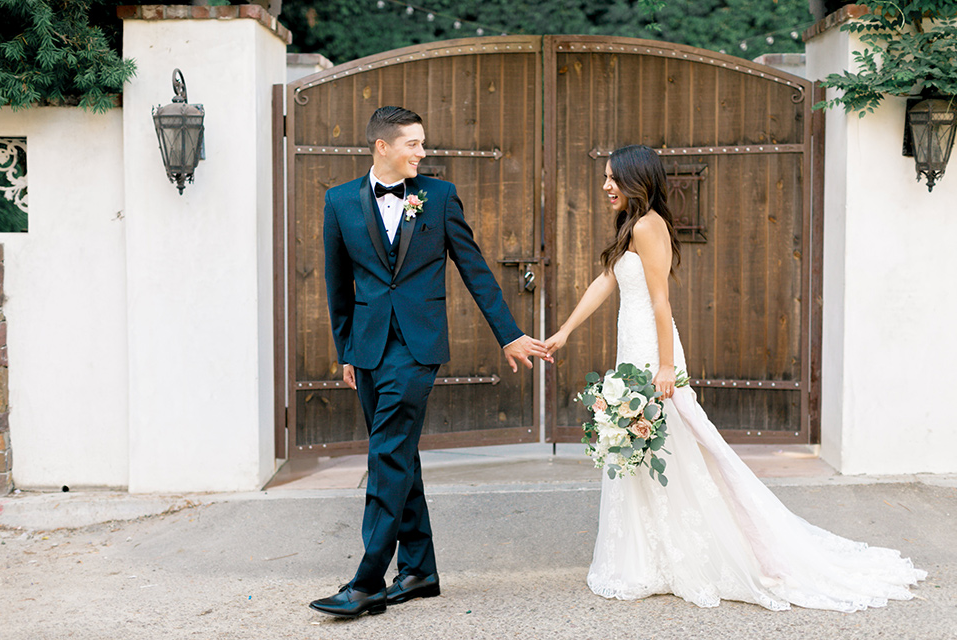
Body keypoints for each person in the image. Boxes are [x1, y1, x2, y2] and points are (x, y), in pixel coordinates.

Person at [544, 145, 926, 611]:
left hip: (652, 353)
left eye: (612, 179)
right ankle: (650, 554)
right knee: (646, 450)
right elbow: (606, 280)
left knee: (675, 447)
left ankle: (709, 549)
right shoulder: (632, 225)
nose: (605, 186)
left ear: (635, 180)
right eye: (604, 178)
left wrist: (665, 365)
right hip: (634, 351)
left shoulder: (647, 226)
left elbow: (661, 302)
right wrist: (564, 331)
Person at [311, 106, 551, 618]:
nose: (423, 152)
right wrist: (346, 351)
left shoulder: (438, 198)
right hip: (369, 347)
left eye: (423, 144)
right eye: (413, 144)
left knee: (387, 453)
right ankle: (419, 570)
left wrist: (508, 335)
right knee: (399, 455)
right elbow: (338, 286)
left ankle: (367, 581)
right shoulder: (338, 203)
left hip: (417, 349)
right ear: (382, 147)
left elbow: (475, 268)